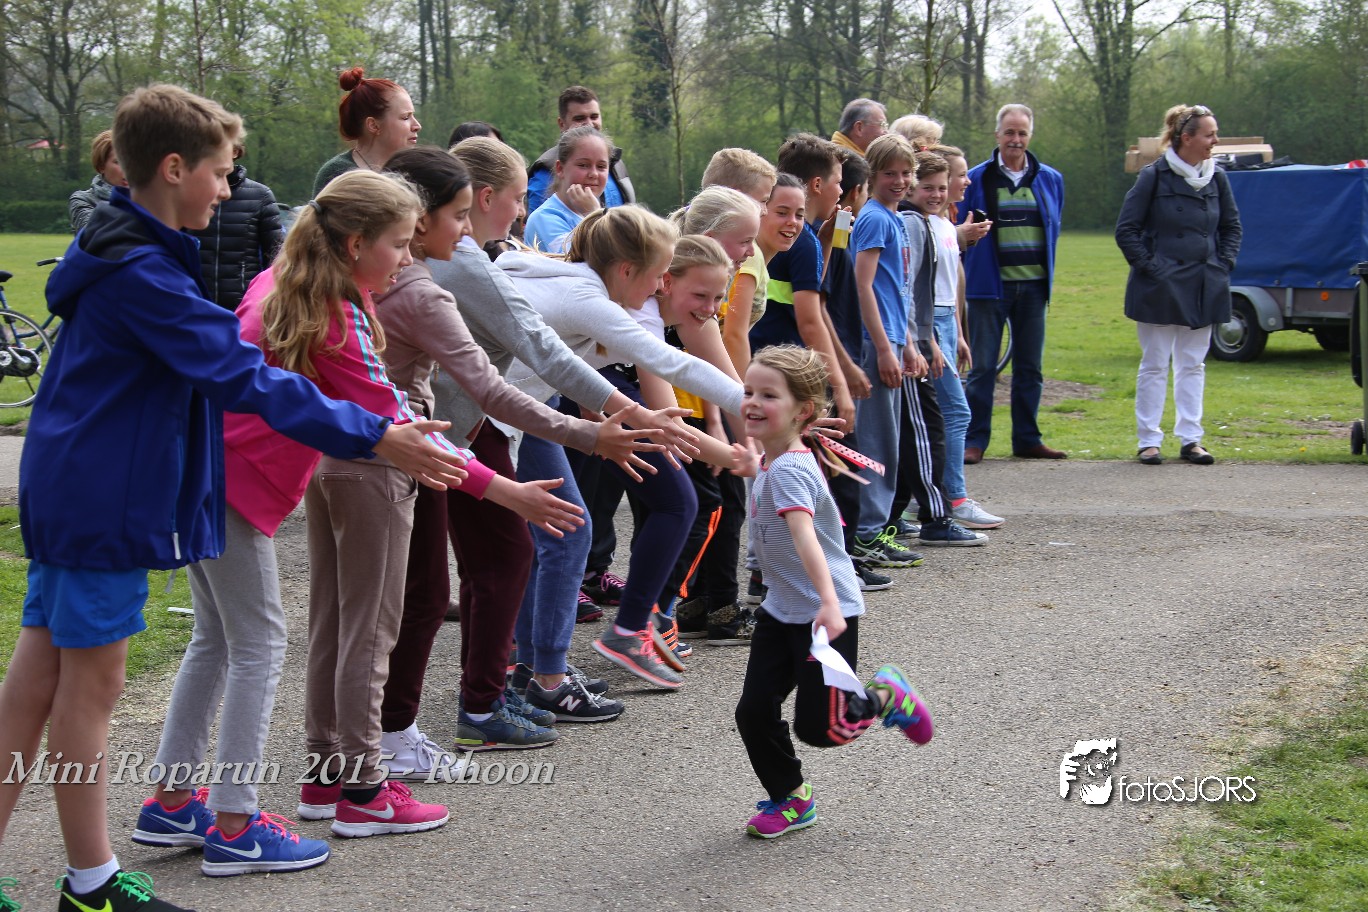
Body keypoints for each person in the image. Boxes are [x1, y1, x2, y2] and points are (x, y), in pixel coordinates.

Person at [0, 84, 466, 912]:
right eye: (219, 172)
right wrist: (373, 432)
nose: (227, 189)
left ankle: (95, 868)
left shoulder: (127, 248)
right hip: (101, 501)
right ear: (174, 168)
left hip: (73, 486)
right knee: (90, 689)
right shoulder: (143, 272)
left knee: (36, 685)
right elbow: (242, 374)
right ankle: (92, 885)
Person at [239, 171, 581, 833]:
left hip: (322, 471)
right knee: (369, 636)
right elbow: (400, 423)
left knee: (333, 628)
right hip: (368, 478)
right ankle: (365, 791)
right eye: (398, 243)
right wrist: (507, 490)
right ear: (355, 244)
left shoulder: (283, 283)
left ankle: (324, 779)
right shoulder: (343, 311)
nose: (406, 257)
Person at [377, 146, 664, 747]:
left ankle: (466, 703)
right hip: (428, 439)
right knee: (444, 584)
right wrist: (608, 422)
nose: (521, 211)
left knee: (475, 569)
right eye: (516, 199)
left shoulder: (450, 264)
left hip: (444, 433)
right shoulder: (448, 270)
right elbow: (511, 370)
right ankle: (431, 722)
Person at [435, 137, 694, 731]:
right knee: (534, 545)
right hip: (494, 418)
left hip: (517, 412)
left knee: (538, 543)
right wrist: (743, 423)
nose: (523, 210)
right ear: (487, 198)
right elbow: (561, 357)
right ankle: (526, 681)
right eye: (518, 197)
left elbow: (558, 367)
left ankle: (525, 673)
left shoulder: (515, 263)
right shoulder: (562, 287)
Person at [501, 207, 745, 689]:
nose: (660, 288)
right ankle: (540, 673)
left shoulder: (584, 288)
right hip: (501, 411)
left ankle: (529, 666)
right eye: (659, 275)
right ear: (630, 270)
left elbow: (571, 370)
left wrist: (609, 417)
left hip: (527, 407)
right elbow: (675, 365)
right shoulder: (589, 299)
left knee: (559, 532)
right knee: (561, 534)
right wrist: (761, 414)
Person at [732, 344, 933, 839]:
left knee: (821, 729)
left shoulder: (789, 469)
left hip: (824, 613)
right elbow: (746, 461)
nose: (753, 402)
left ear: (801, 411)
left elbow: (805, 537)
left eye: (768, 395)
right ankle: (791, 799)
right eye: (749, 391)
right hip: (782, 608)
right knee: (753, 711)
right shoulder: (773, 457)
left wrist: (826, 602)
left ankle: (885, 695)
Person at [1115, 104, 1241, 466]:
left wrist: (1222, 264)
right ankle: (1149, 441)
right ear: (1187, 138)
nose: (1215, 141)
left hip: (1204, 283)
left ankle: (1191, 439)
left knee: (1193, 364)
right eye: (1210, 135)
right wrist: (1154, 268)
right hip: (1160, 287)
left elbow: (1231, 227)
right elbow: (1126, 230)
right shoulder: (1153, 176)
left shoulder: (1217, 178)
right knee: (1155, 363)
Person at [960, 103, 1067, 463]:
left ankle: (1027, 439)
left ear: (1030, 136)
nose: (1015, 139)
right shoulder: (976, 178)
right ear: (997, 135)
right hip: (989, 287)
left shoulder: (1050, 179)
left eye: (1022, 133)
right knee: (983, 368)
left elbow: (1053, 227)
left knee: (1030, 368)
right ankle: (975, 440)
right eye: (1009, 132)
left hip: (1034, 288)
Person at [850, 133, 927, 569]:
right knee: (876, 441)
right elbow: (863, 286)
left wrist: (908, 344)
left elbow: (897, 289)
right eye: (889, 173)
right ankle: (866, 532)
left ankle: (874, 527)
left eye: (906, 173)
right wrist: (882, 348)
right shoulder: (875, 219)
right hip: (875, 342)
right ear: (873, 175)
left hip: (894, 338)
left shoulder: (894, 218)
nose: (899, 181)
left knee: (889, 441)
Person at [927, 144, 1004, 528]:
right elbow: (919, 291)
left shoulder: (944, 224)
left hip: (944, 323)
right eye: (959, 175)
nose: (966, 182)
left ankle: (927, 497)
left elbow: (948, 286)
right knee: (956, 411)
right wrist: (932, 338)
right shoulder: (925, 225)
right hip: (930, 326)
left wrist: (957, 332)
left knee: (942, 413)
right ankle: (953, 497)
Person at [190, 141, 285, 310]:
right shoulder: (190, 192)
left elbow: (276, 259)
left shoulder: (260, 196)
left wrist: (266, 301)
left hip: (244, 307)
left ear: (235, 151)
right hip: (194, 303)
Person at [526, 85, 635, 214]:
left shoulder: (615, 163)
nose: (589, 123)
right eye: (579, 118)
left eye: (594, 117)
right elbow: (540, 221)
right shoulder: (546, 172)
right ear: (561, 124)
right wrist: (593, 213)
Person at [313, 66, 420, 194]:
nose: (417, 126)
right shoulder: (337, 174)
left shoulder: (415, 173)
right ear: (373, 125)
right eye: (405, 117)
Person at [522, 126, 614, 253]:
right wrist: (594, 214)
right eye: (583, 165)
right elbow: (579, 260)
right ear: (560, 169)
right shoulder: (544, 218)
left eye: (601, 166)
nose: (594, 174)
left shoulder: (606, 214)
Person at [68, 130, 128, 233]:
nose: (128, 168)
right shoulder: (84, 200)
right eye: (118, 162)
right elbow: (95, 234)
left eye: (132, 161)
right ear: (101, 166)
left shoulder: (148, 198)